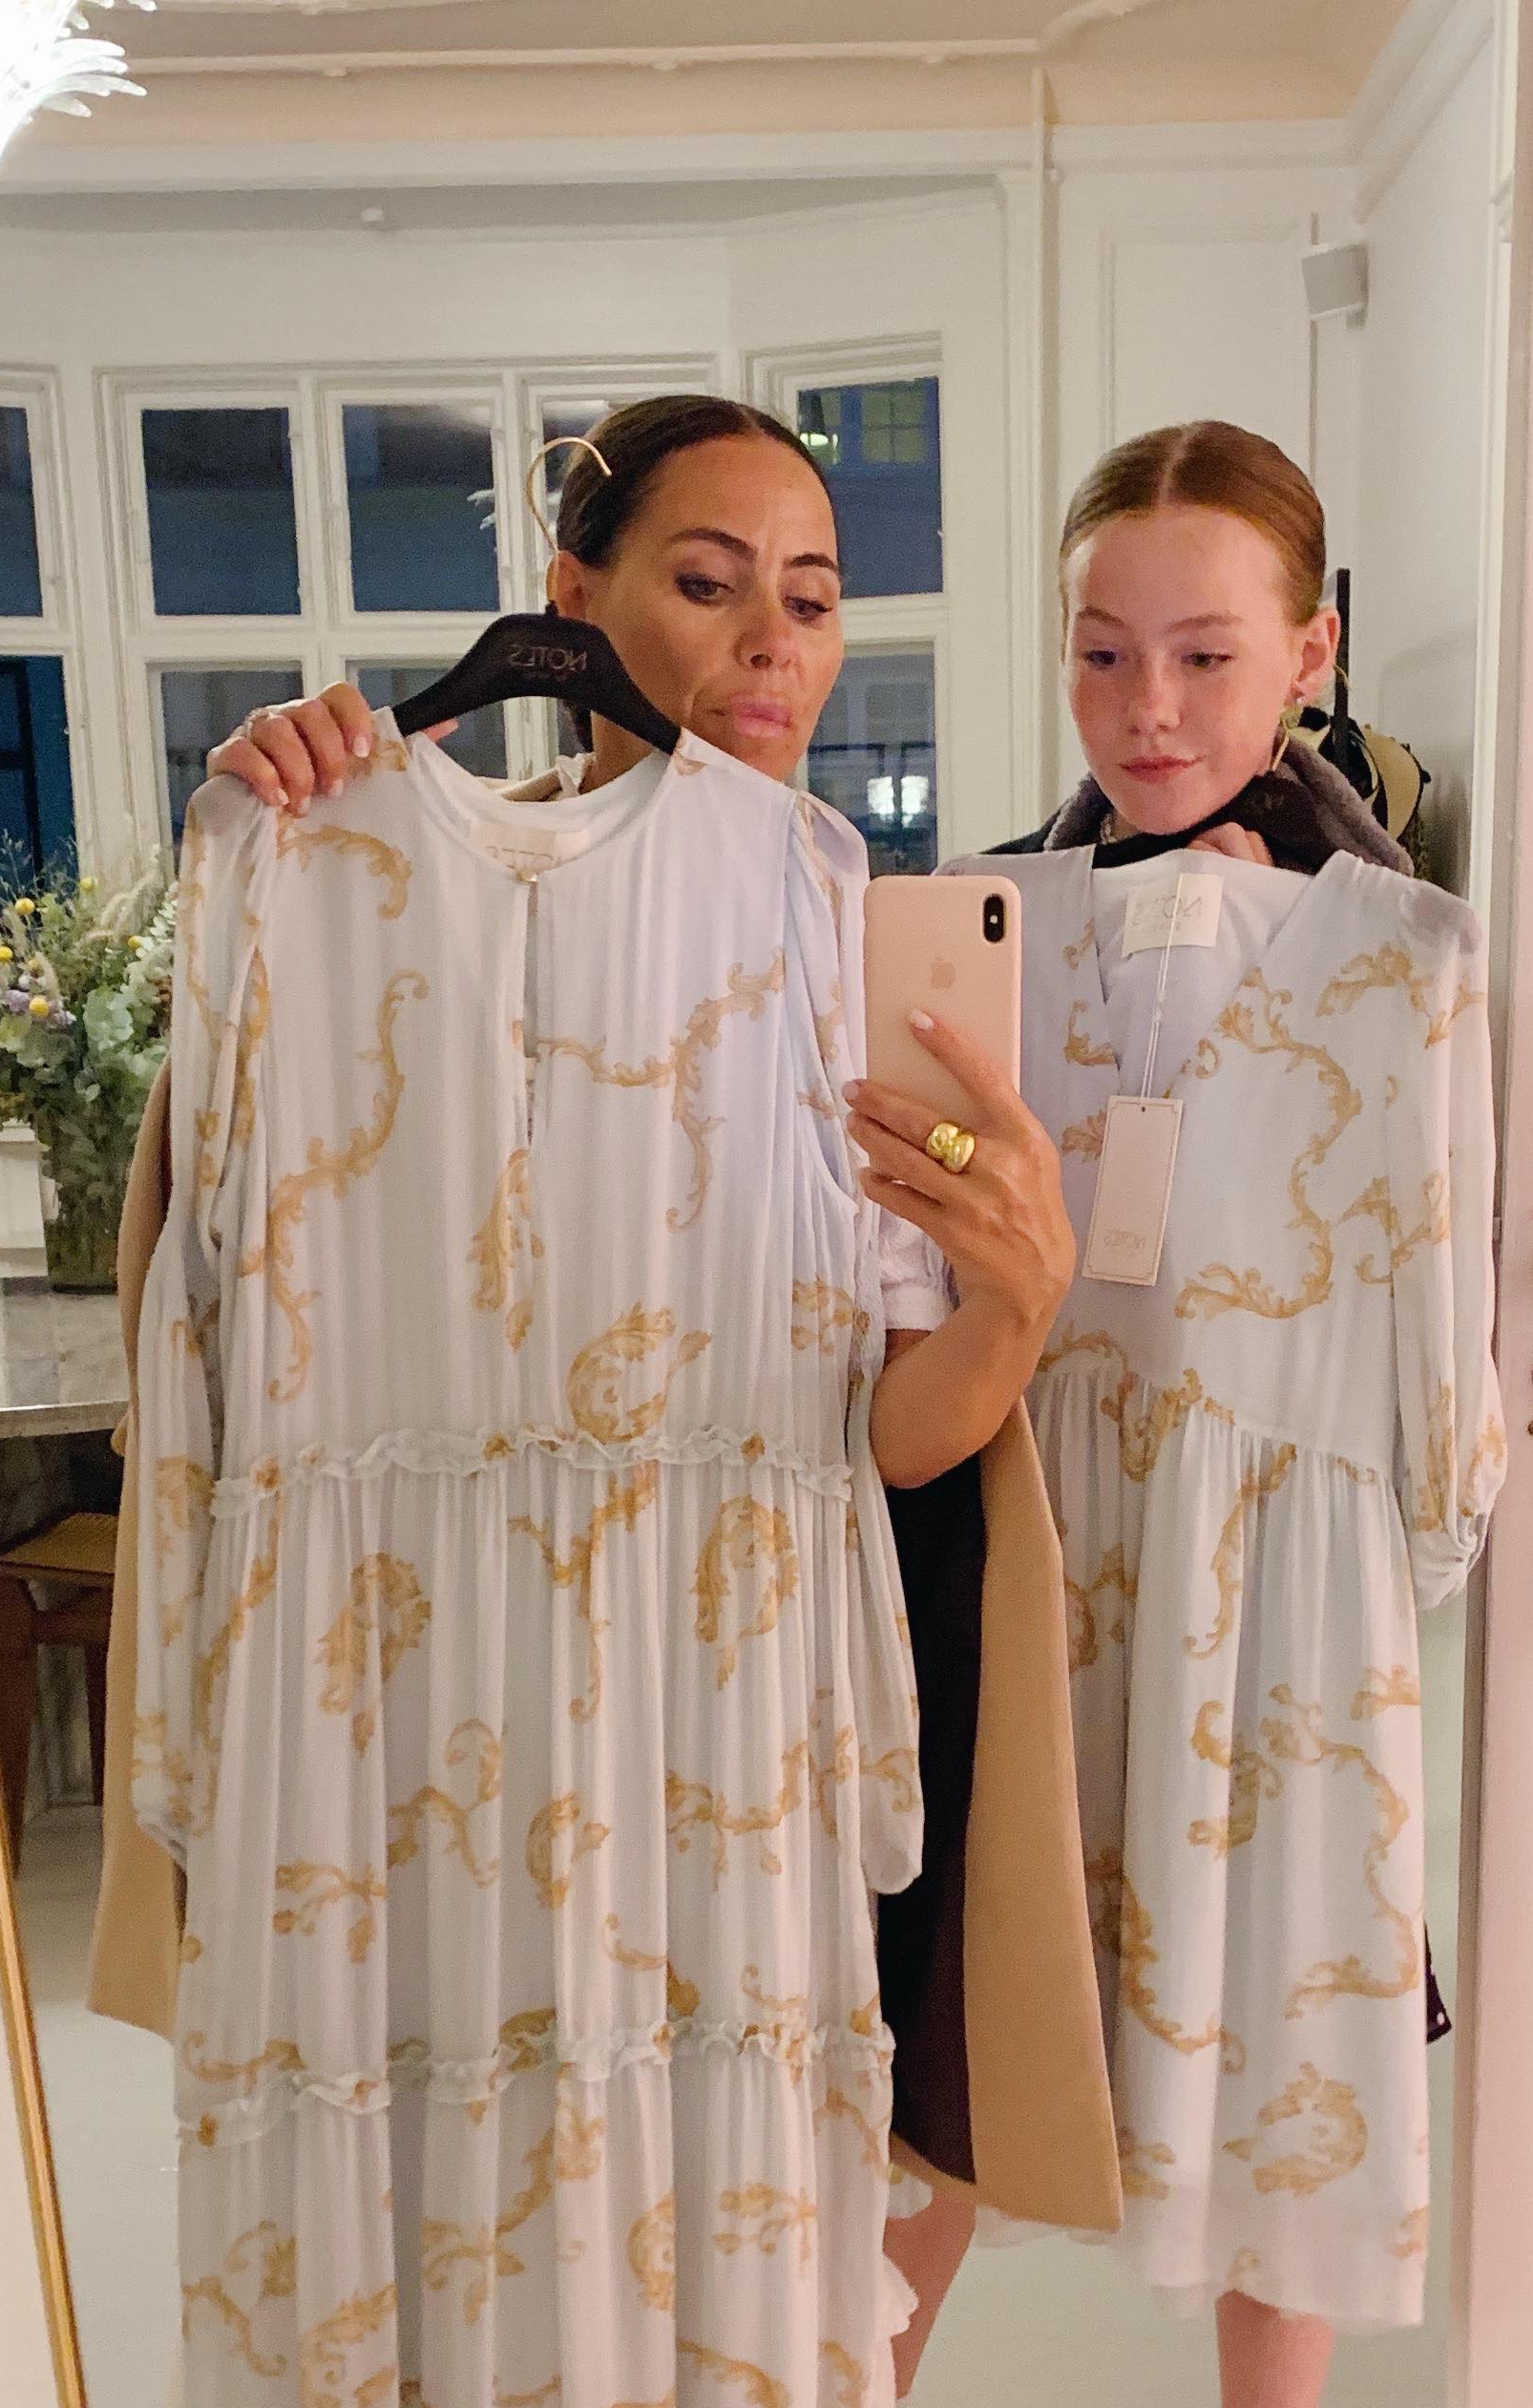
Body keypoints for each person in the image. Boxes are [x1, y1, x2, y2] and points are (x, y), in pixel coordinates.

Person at [196, 399, 1115, 2264]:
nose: (775, 641)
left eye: (814, 598)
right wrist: (252, 829)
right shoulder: (346, 862)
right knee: (462, 2194)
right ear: (574, 597)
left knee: (730, 2211)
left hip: (730, 1676)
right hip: (435, 1687)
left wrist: (1020, 1299)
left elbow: (890, 1426)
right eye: (709, 585)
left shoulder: (835, 911)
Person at [899, 421, 1507, 2408]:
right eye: (1101, 652)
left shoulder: (1406, 963)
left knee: (1281, 2079)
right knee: (940, 2043)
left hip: (1282, 1607)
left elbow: (1440, 1356)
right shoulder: (973, 936)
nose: (1148, 708)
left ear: (1310, 653)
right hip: (1033, 1550)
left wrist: (1384, 1574)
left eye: (1206, 652)